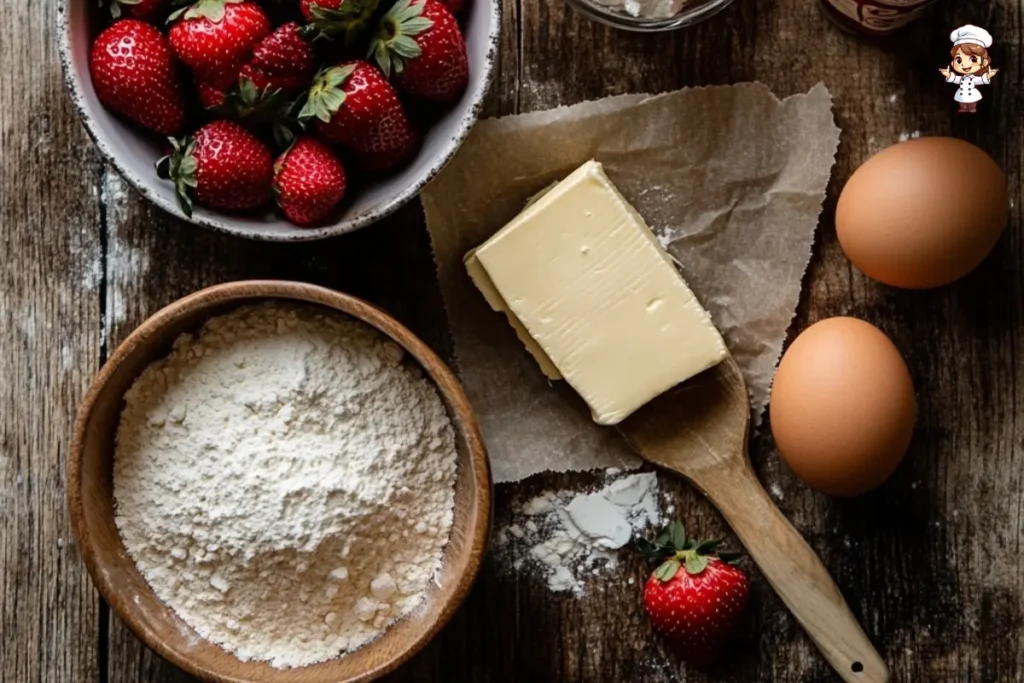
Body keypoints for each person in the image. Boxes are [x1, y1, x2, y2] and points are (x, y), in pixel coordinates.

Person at [940, 25, 998, 114]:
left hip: (971, 93)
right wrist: (949, 75)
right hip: (962, 93)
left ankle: (971, 107)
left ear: (984, 62)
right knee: (961, 100)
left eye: (973, 59)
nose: (965, 64)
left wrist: (988, 76)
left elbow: (980, 80)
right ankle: (963, 107)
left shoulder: (974, 78)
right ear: (953, 62)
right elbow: (956, 79)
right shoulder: (961, 78)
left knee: (972, 100)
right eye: (959, 60)